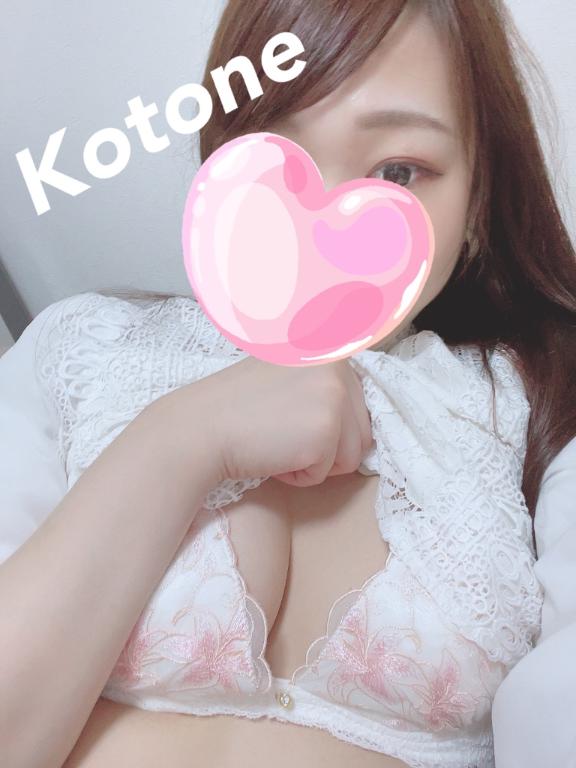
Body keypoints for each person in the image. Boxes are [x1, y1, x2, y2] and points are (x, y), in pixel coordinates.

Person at [0, 2, 575, 767]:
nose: (325, 217)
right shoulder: (78, 349)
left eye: (398, 171)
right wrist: (183, 439)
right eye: (276, 152)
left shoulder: (543, 406)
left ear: (477, 202)